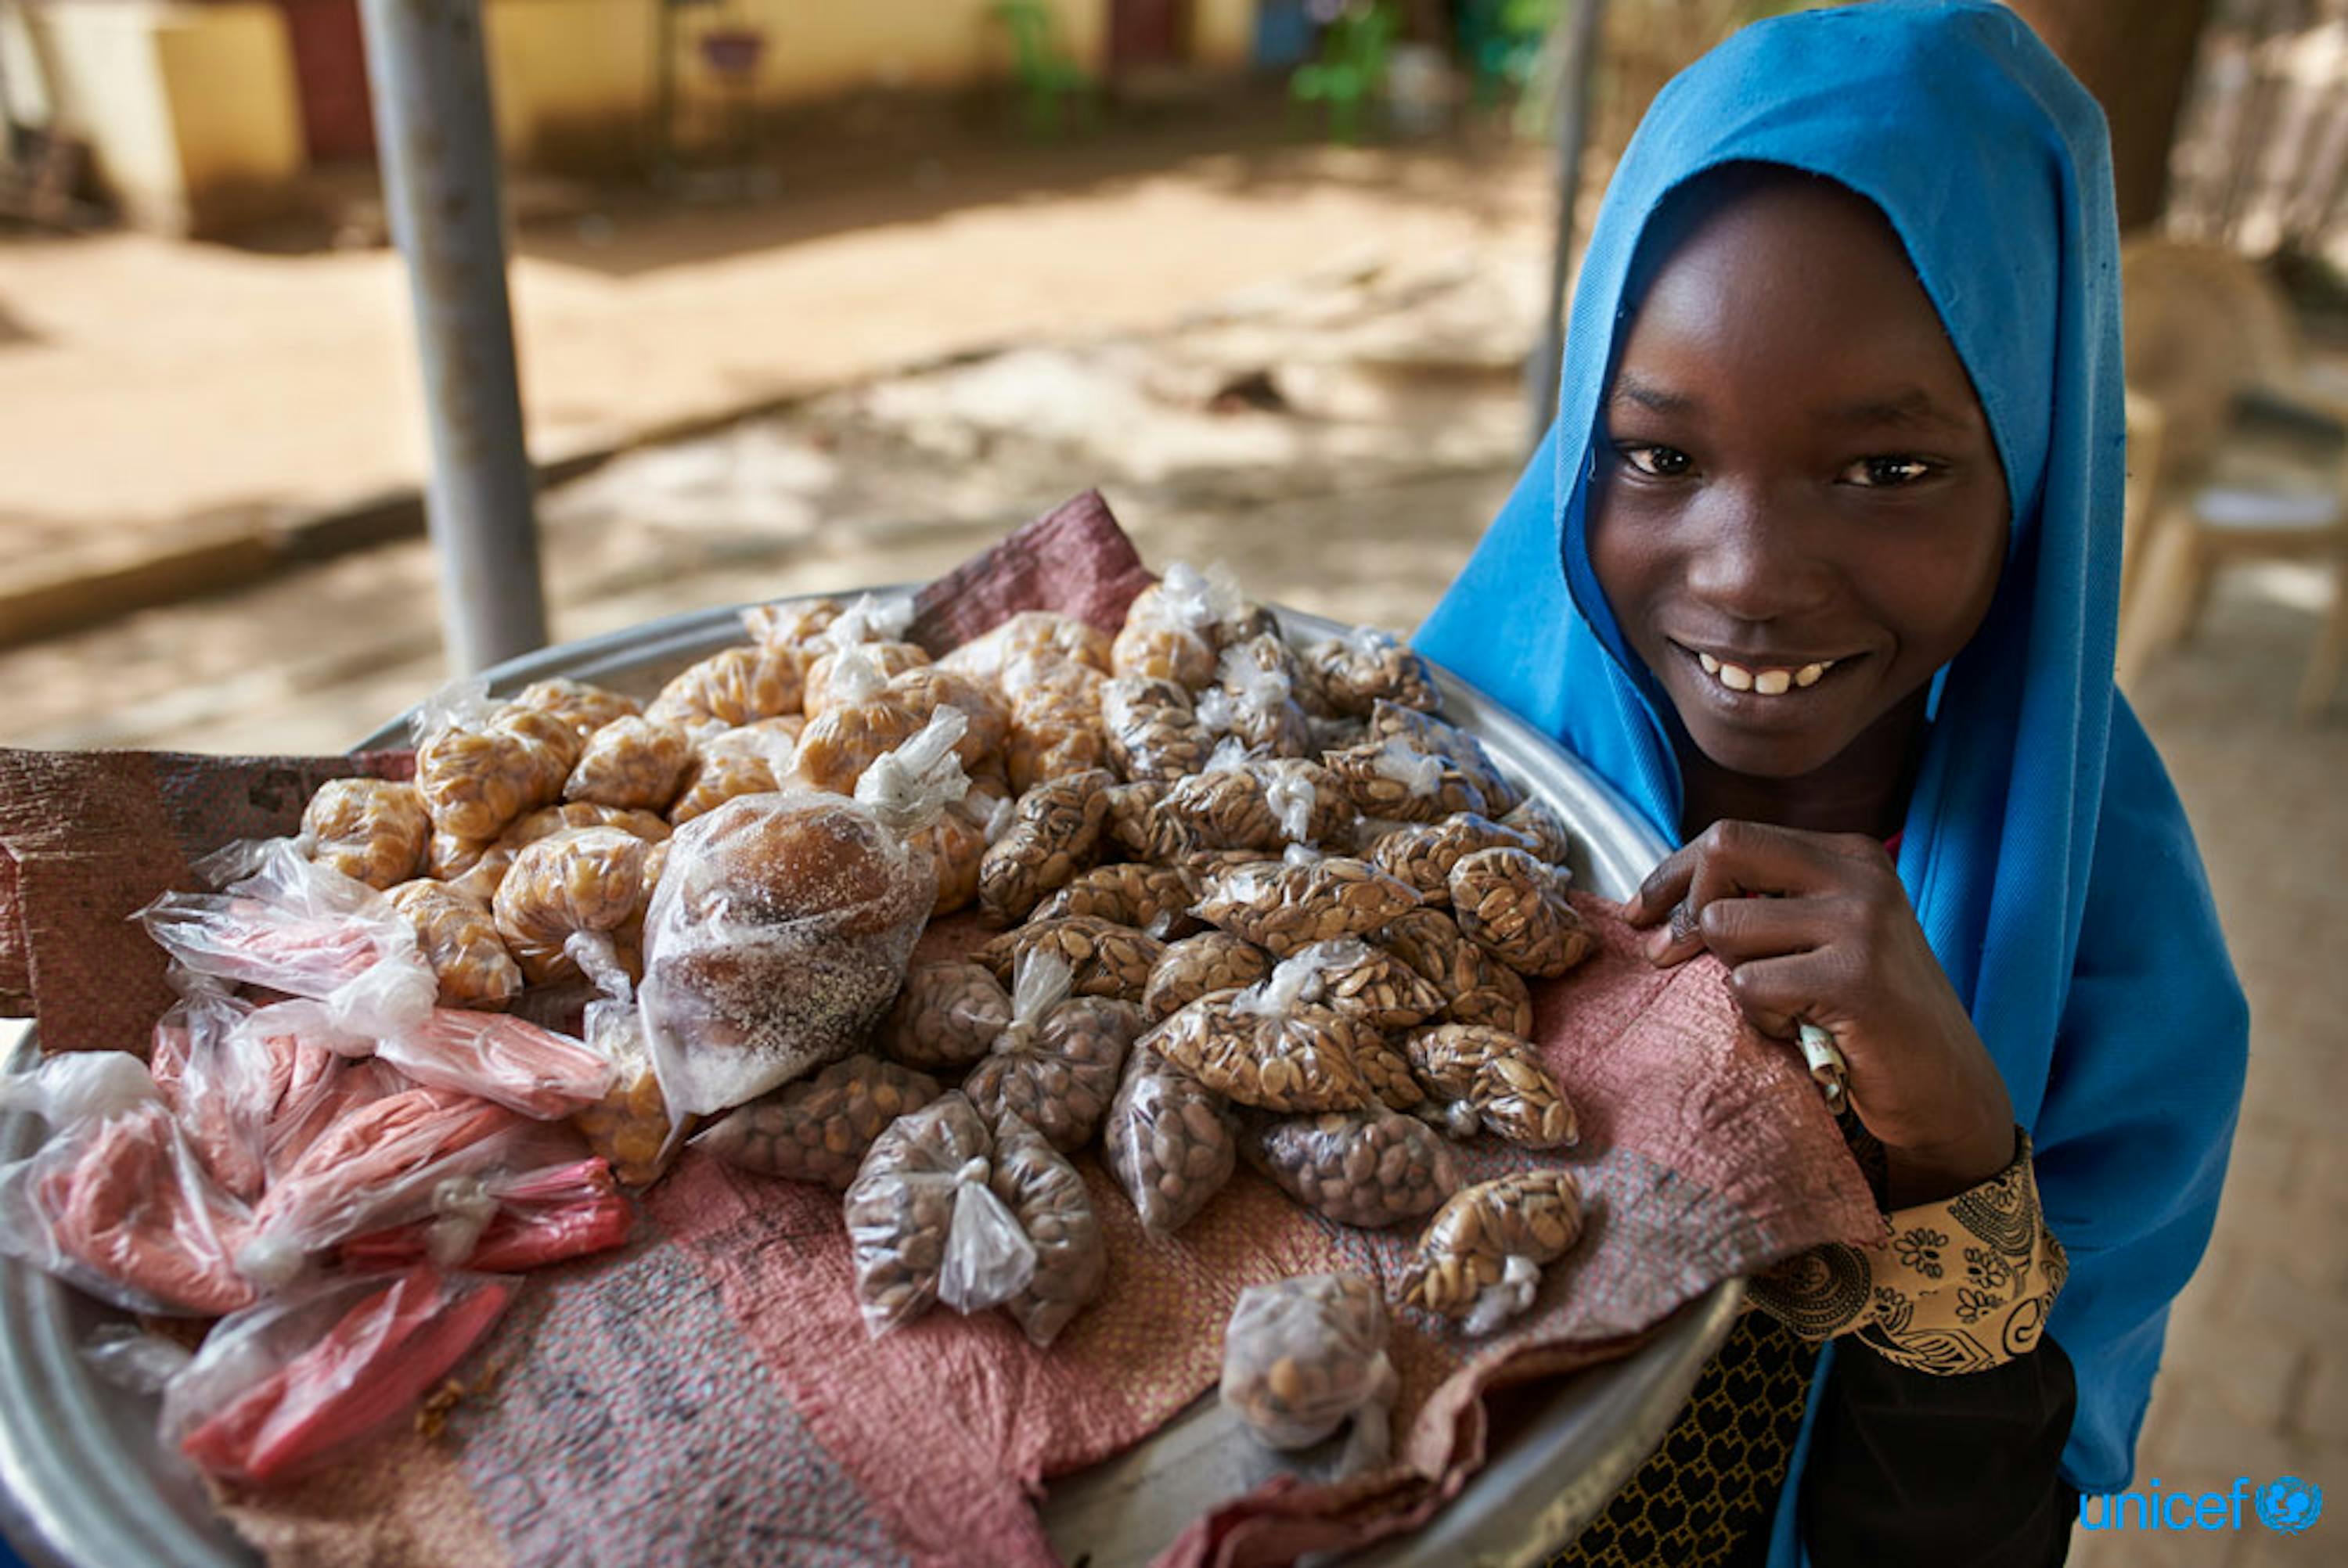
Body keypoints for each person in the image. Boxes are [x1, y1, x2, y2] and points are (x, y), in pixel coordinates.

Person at [1415, 3, 2249, 1564]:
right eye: (1658, 457)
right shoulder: (1422, 794)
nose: (1749, 581)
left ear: (2041, 466)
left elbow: (1970, 1537)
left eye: (1886, 472)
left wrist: (1952, 1160)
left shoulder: (2115, 974)